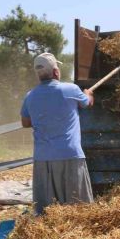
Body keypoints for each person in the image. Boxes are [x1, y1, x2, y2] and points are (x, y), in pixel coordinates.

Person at [20, 52, 95, 215]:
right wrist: (88, 94)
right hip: (70, 156)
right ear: (55, 72)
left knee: (47, 214)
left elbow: (25, 122)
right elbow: (86, 103)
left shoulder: (30, 96)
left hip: (43, 159)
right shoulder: (71, 89)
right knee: (80, 210)